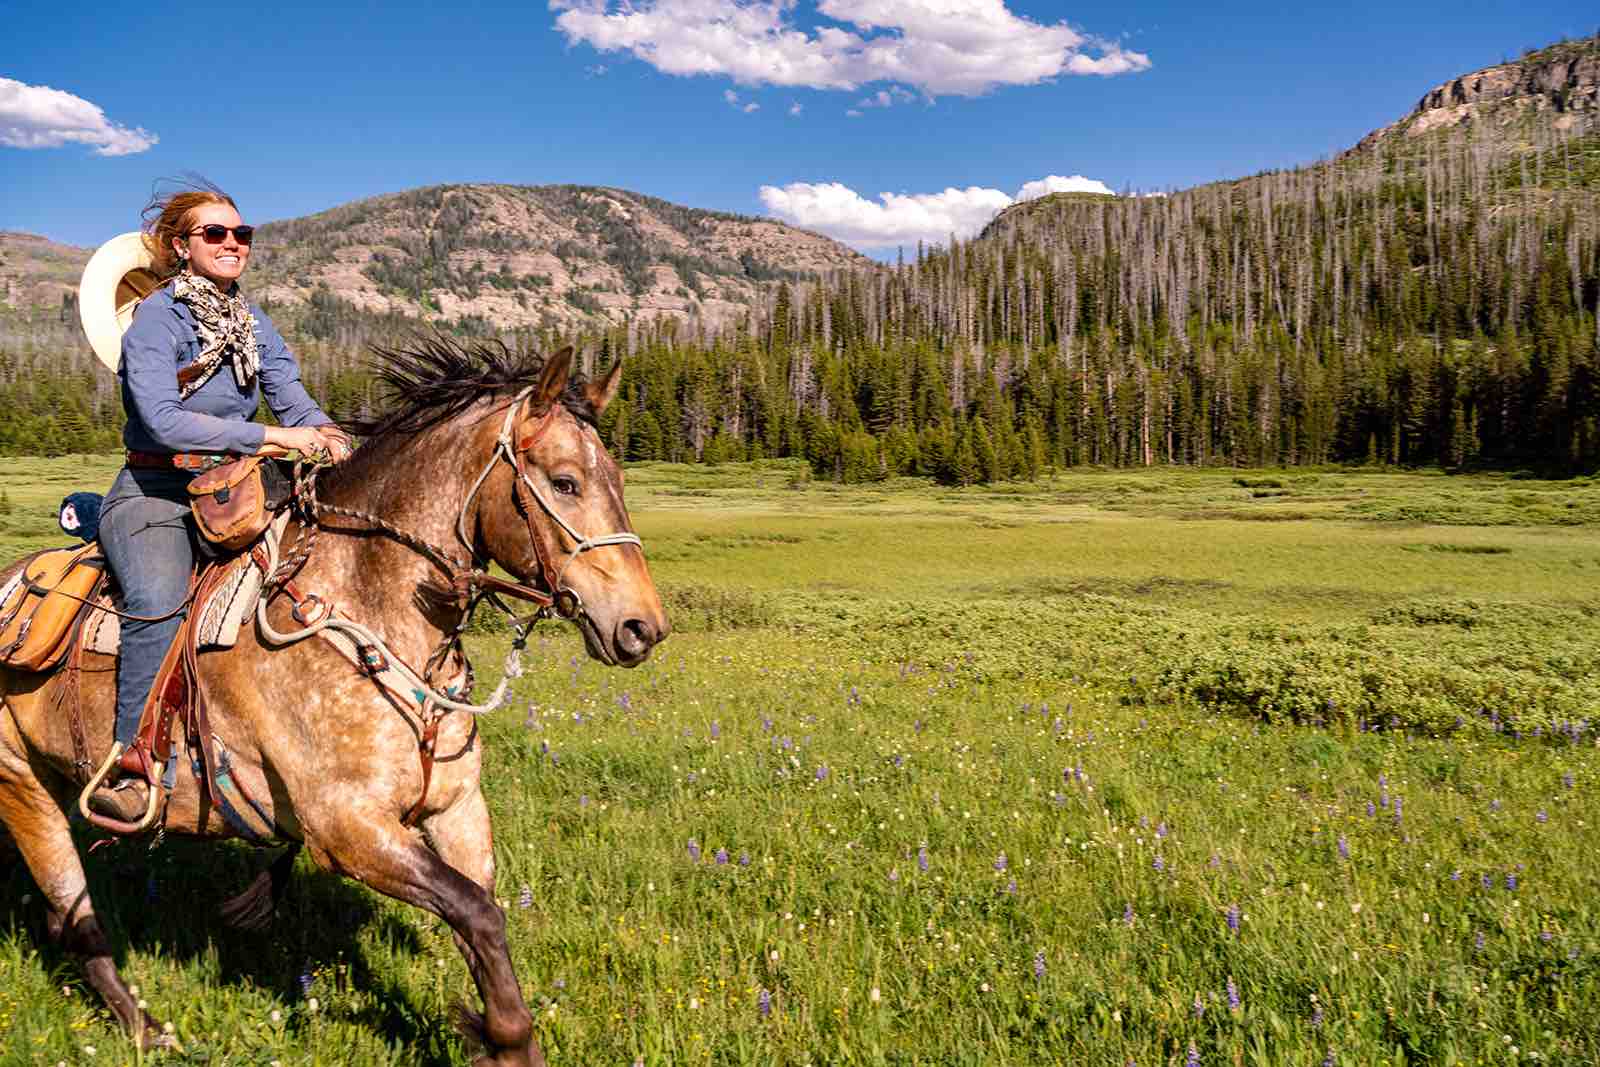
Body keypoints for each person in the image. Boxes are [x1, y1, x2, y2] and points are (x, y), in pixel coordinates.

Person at [92, 184, 351, 817]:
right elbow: (161, 421)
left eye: (242, 235)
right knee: (158, 600)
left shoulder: (254, 324)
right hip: (157, 494)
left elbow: (293, 400)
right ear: (182, 246)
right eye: (216, 234)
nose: (233, 244)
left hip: (236, 492)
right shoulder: (156, 319)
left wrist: (334, 438)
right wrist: (272, 436)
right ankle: (134, 761)